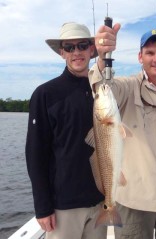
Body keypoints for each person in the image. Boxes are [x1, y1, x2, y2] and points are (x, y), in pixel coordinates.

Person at [88, 24, 156, 239]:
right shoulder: (126, 87)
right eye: (150, 53)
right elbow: (102, 86)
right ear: (140, 57)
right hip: (135, 200)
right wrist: (101, 57)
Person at [25, 22, 107, 239]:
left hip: (101, 203)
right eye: (69, 48)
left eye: (82, 45)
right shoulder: (45, 94)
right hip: (64, 208)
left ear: (92, 50)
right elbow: (35, 155)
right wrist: (43, 207)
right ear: (62, 53)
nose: (76, 52)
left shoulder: (103, 90)